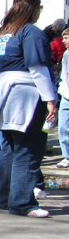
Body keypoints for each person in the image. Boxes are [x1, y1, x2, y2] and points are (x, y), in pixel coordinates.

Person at [0, 0, 56, 218]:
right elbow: (38, 67)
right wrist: (50, 100)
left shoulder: (4, 33)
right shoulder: (30, 31)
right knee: (28, 147)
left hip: (4, 93)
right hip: (25, 94)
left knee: (9, 147)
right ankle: (23, 203)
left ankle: (4, 197)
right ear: (35, 8)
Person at [56, 28, 69, 169]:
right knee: (63, 127)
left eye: (66, 38)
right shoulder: (66, 54)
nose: (63, 41)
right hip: (66, 95)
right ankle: (67, 156)